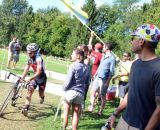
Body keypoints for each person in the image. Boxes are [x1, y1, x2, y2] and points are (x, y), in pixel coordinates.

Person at [107, 24, 160, 130]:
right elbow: (131, 92)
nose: (131, 41)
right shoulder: (135, 65)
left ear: (141, 41)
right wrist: (115, 114)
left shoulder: (158, 68)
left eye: (133, 38)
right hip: (125, 120)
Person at [62, 48, 89, 130]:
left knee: (66, 112)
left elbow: (68, 81)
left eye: (73, 54)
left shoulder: (73, 66)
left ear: (78, 56)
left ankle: (64, 128)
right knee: (76, 115)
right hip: (80, 93)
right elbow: (87, 82)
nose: (71, 55)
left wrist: (64, 88)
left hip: (71, 92)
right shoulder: (86, 67)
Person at [89, 43, 116, 115]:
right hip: (97, 77)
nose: (102, 48)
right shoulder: (103, 56)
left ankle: (100, 111)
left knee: (103, 95)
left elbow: (111, 71)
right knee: (93, 92)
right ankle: (92, 107)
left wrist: (108, 81)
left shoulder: (112, 58)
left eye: (103, 47)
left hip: (104, 79)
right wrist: (95, 74)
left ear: (107, 48)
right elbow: (100, 66)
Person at [21, 43, 47, 116]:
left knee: (40, 93)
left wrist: (30, 78)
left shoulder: (38, 58)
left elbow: (39, 72)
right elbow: (26, 69)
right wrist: (22, 77)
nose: (28, 53)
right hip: (35, 78)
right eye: (27, 52)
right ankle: (26, 108)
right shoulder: (30, 58)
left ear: (35, 52)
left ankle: (43, 97)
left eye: (30, 52)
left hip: (42, 78)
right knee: (29, 91)